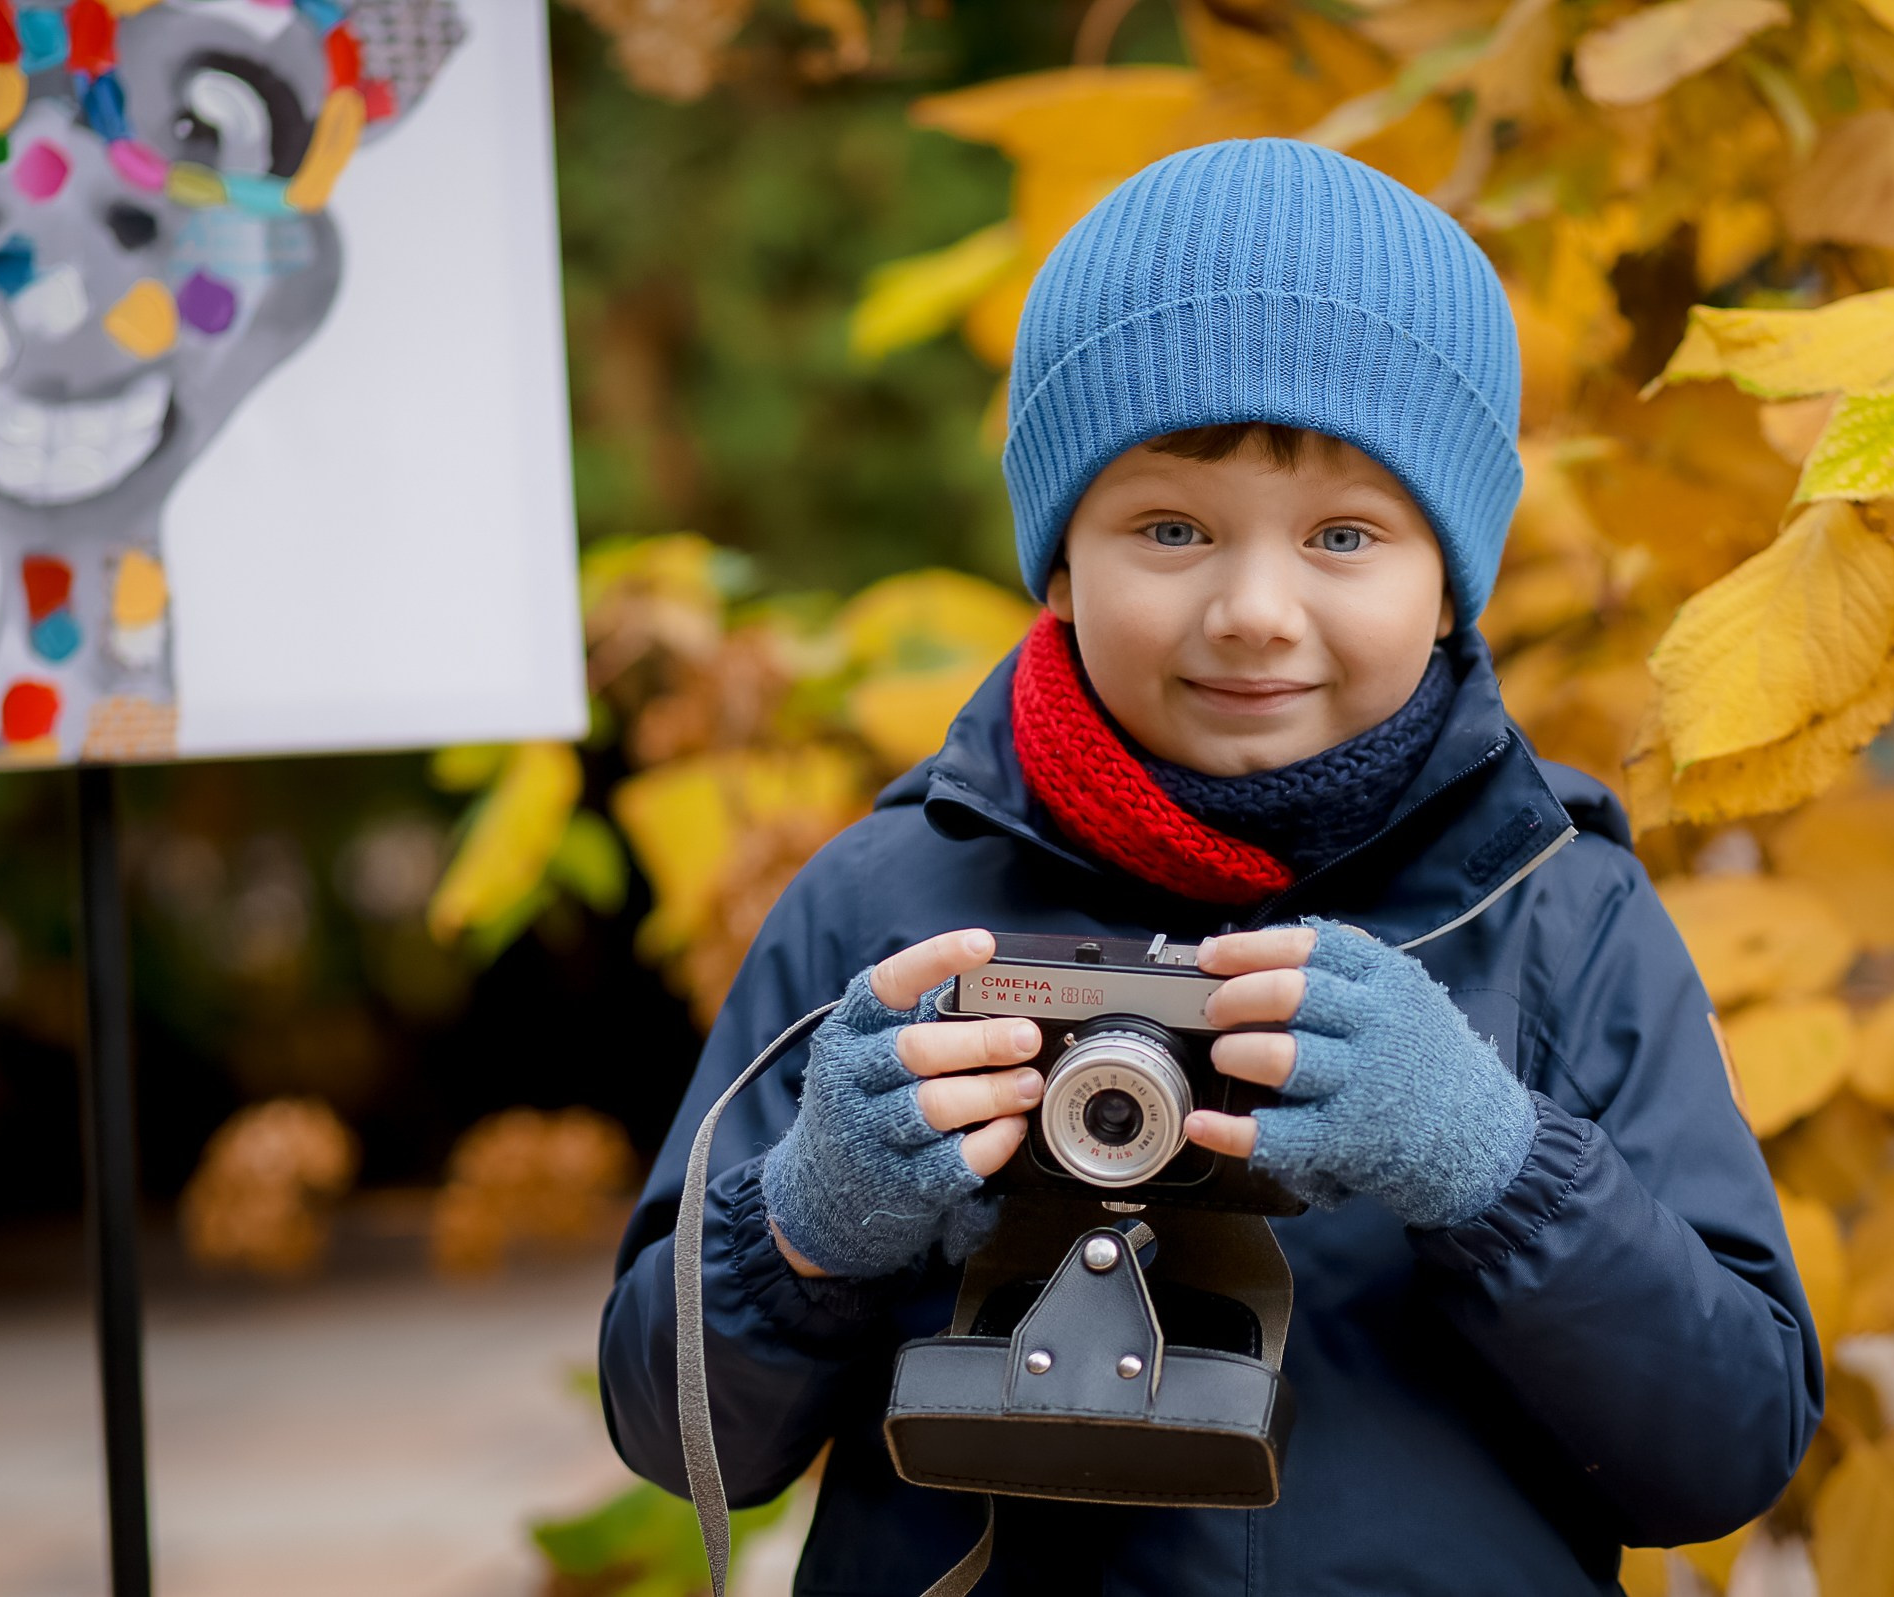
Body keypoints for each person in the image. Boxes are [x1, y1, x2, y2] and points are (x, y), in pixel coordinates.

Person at [598, 138, 1824, 1596]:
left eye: (1345, 534)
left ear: (1449, 583)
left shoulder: (1556, 911)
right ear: (1061, 562)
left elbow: (1730, 1445)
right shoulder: (887, 908)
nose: (1253, 608)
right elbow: (676, 1431)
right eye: (1170, 528)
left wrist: (1491, 1167)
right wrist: (808, 1222)